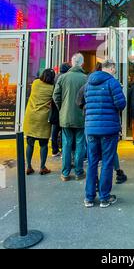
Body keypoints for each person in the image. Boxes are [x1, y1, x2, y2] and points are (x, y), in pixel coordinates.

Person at [84, 60, 126, 208]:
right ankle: (104, 197)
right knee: (107, 162)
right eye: (114, 69)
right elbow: (121, 104)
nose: (114, 71)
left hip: (90, 128)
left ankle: (89, 198)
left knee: (92, 162)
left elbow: (84, 101)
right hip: (108, 129)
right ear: (111, 68)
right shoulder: (112, 83)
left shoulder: (88, 83)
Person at [53, 53, 88, 182]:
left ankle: (65, 173)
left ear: (72, 63)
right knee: (80, 144)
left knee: (66, 144)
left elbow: (55, 96)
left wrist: (62, 108)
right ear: (82, 64)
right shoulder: (86, 78)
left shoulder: (63, 78)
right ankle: (79, 172)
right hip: (80, 116)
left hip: (65, 116)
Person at [23, 69, 56, 176]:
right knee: (43, 144)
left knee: (30, 143)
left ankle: (28, 167)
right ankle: (42, 167)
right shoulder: (52, 88)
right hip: (43, 118)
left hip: (31, 117)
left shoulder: (36, 83)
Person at [49, 63, 71, 157]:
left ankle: (54, 150)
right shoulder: (65, 78)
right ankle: (62, 149)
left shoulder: (56, 78)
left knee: (55, 130)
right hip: (62, 106)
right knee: (63, 130)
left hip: (54, 107)